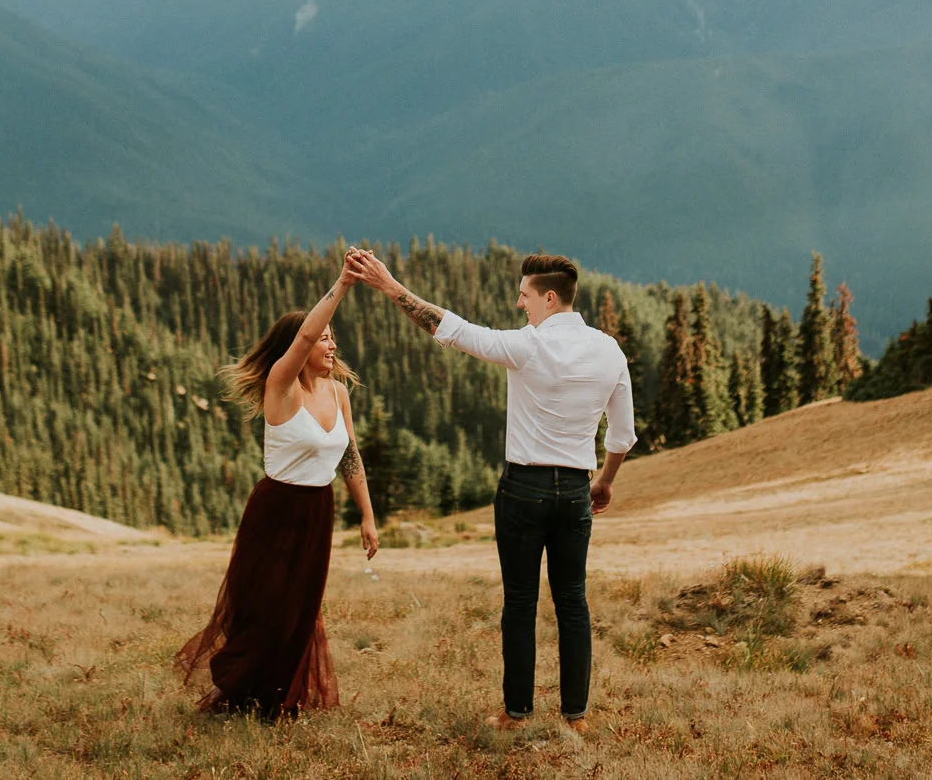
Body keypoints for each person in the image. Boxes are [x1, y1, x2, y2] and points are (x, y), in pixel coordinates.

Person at [344, 247, 634, 733]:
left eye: (524, 296)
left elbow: (450, 329)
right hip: (576, 492)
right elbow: (622, 434)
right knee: (573, 600)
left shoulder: (528, 346)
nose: (520, 305)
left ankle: (517, 713)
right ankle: (576, 716)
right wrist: (603, 482)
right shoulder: (609, 350)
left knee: (520, 600)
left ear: (547, 297)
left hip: (524, 488)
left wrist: (389, 285)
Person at [174, 261, 380, 719]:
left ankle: (276, 700)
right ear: (300, 345)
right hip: (276, 508)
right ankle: (238, 691)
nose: (331, 344)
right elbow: (305, 334)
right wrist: (343, 284)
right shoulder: (281, 386)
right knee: (265, 608)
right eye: (324, 337)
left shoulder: (338, 392)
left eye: (333, 338)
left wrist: (367, 515)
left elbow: (349, 456)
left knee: (300, 610)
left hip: (317, 510)